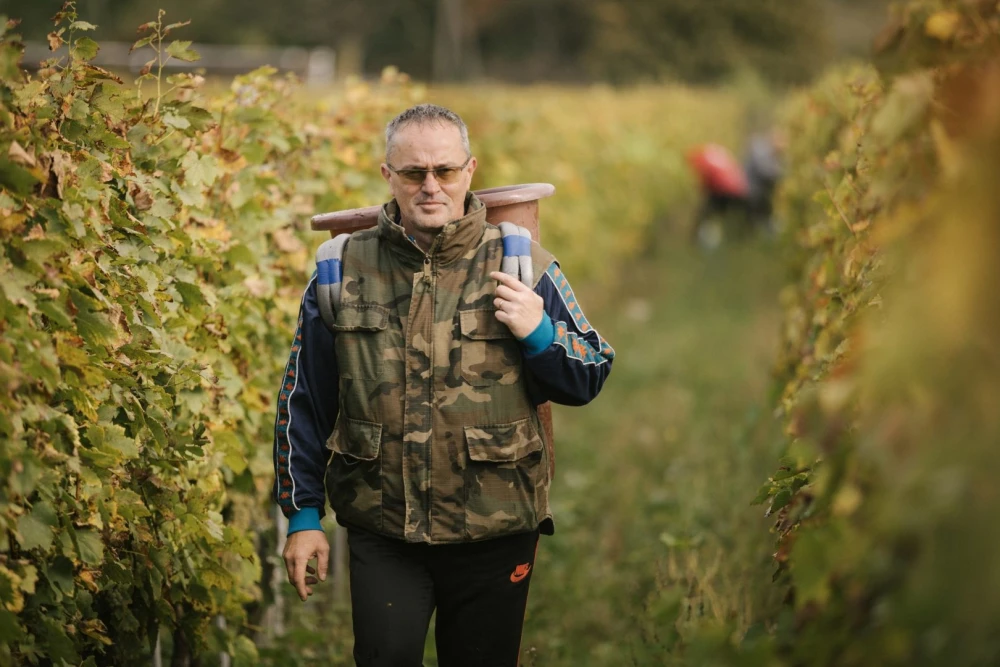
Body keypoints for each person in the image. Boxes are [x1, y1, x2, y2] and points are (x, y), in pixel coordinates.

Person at [272, 103, 614, 666]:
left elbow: (591, 373)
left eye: (445, 171)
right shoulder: (339, 270)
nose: (431, 186)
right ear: (388, 176)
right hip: (384, 531)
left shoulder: (524, 263)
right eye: (413, 173)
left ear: (469, 171)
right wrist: (303, 515)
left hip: (496, 531)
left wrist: (539, 332)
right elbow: (302, 400)